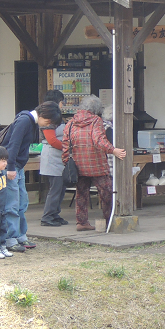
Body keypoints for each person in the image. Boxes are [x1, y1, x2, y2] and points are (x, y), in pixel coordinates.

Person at [0, 100, 62, 252]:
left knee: (21, 203)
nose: (47, 126)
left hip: (18, 167)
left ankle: (21, 235)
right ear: (45, 117)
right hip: (12, 167)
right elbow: (13, 145)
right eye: (49, 122)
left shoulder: (30, 122)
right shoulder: (24, 121)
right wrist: (10, 167)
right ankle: (11, 238)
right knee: (12, 204)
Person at [63, 95, 126, 231]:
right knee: (106, 192)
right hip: (96, 164)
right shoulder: (96, 121)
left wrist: (66, 161)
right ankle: (109, 220)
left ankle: (81, 222)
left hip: (78, 165)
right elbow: (99, 140)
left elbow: (65, 144)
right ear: (97, 109)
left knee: (81, 193)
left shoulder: (70, 123)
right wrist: (113, 150)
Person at [38, 89, 68, 227]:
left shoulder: (58, 118)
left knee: (60, 189)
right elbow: (52, 140)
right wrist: (66, 148)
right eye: (62, 101)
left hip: (59, 159)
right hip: (52, 157)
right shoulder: (49, 117)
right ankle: (47, 216)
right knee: (55, 190)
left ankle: (55, 214)